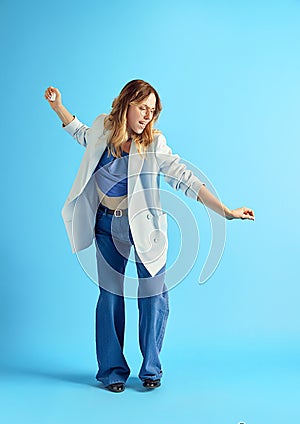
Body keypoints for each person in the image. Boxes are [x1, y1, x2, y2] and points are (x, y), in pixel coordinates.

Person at [44, 79, 255, 393]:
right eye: (142, 108)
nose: (146, 115)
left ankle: (151, 369)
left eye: (152, 111)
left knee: (153, 296)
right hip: (106, 224)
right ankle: (112, 372)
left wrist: (224, 210)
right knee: (111, 297)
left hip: (146, 228)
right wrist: (57, 106)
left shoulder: (154, 143)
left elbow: (184, 177)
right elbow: (82, 133)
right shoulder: (103, 127)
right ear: (127, 103)